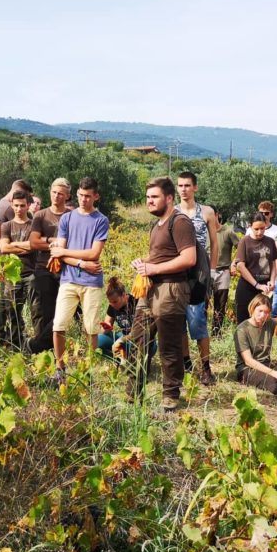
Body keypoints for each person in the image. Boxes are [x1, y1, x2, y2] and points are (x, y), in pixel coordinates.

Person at [127, 177, 197, 412]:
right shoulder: (156, 225)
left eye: (154, 197)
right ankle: (133, 391)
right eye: (147, 197)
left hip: (171, 289)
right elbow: (161, 255)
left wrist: (154, 268)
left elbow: (189, 259)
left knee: (168, 345)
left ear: (169, 198)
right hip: (150, 289)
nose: (149, 201)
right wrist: (143, 262)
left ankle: (171, 395)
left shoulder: (180, 222)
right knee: (138, 340)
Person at [50, 177, 109, 384]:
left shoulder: (101, 220)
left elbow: (94, 253)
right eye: (81, 195)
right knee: (59, 325)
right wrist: (82, 264)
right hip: (69, 279)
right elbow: (60, 255)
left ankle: (89, 369)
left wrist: (64, 252)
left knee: (91, 328)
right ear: (76, 194)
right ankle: (60, 368)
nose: (84, 199)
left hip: (92, 282)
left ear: (96, 196)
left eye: (88, 196)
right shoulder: (67, 219)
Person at [176, 171, 218, 385]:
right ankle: (186, 364)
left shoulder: (207, 212)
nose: (183, 189)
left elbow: (215, 243)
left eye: (187, 185)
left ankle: (206, 367)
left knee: (198, 321)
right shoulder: (171, 211)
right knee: (179, 321)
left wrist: (211, 272)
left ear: (195, 188)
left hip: (199, 272)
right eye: (180, 185)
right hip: (177, 271)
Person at [26, 178, 71, 354]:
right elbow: (34, 243)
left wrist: (60, 247)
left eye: (60, 193)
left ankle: (37, 346)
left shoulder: (71, 216)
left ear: (67, 196)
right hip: (43, 268)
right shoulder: (40, 215)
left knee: (63, 311)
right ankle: (46, 351)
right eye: (54, 192)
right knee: (46, 311)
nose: (56, 196)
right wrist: (54, 242)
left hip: (66, 268)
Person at [234, 294, 277, 400]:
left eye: (266, 312)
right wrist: (272, 372)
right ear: (252, 308)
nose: (262, 315)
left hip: (267, 364)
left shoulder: (269, 323)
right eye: (260, 311)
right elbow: (248, 361)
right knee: (274, 384)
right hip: (247, 369)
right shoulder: (242, 330)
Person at [0, 190, 35, 351]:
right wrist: (24, 246)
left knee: (35, 311)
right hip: (12, 275)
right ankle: (14, 345)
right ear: (11, 205)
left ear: (28, 206)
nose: (19, 209)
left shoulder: (34, 225)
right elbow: (4, 248)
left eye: (22, 205)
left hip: (30, 274)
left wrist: (14, 246)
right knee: (12, 311)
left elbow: (33, 246)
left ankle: (34, 345)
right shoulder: (6, 225)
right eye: (16, 205)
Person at [234, 212, 277, 324]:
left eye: (262, 228)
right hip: (247, 287)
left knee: (266, 320)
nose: (259, 232)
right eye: (256, 229)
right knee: (244, 322)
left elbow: (273, 262)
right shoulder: (244, 241)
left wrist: (272, 281)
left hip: (265, 288)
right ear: (250, 226)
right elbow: (240, 265)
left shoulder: (270, 241)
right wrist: (256, 284)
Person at [97, 276, 156, 363]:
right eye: (110, 302)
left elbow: (145, 331)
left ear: (124, 295)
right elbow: (105, 327)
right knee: (98, 341)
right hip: (124, 338)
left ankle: (134, 364)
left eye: (115, 301)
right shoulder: (112, 306)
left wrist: (121, 340)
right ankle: (119, 362)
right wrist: (106, 328)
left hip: (141, 340)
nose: (112, 304)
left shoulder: (137, 302)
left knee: (135, 347)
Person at [211, 211, 240, 336]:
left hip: (223, 271)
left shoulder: (228, 231)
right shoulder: (203, 232)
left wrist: (234, 263)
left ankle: (216, 333)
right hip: (207, 271)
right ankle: (202, 334)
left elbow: (241, 248)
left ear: (217, 215)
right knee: (203, 304)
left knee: (220, 303)